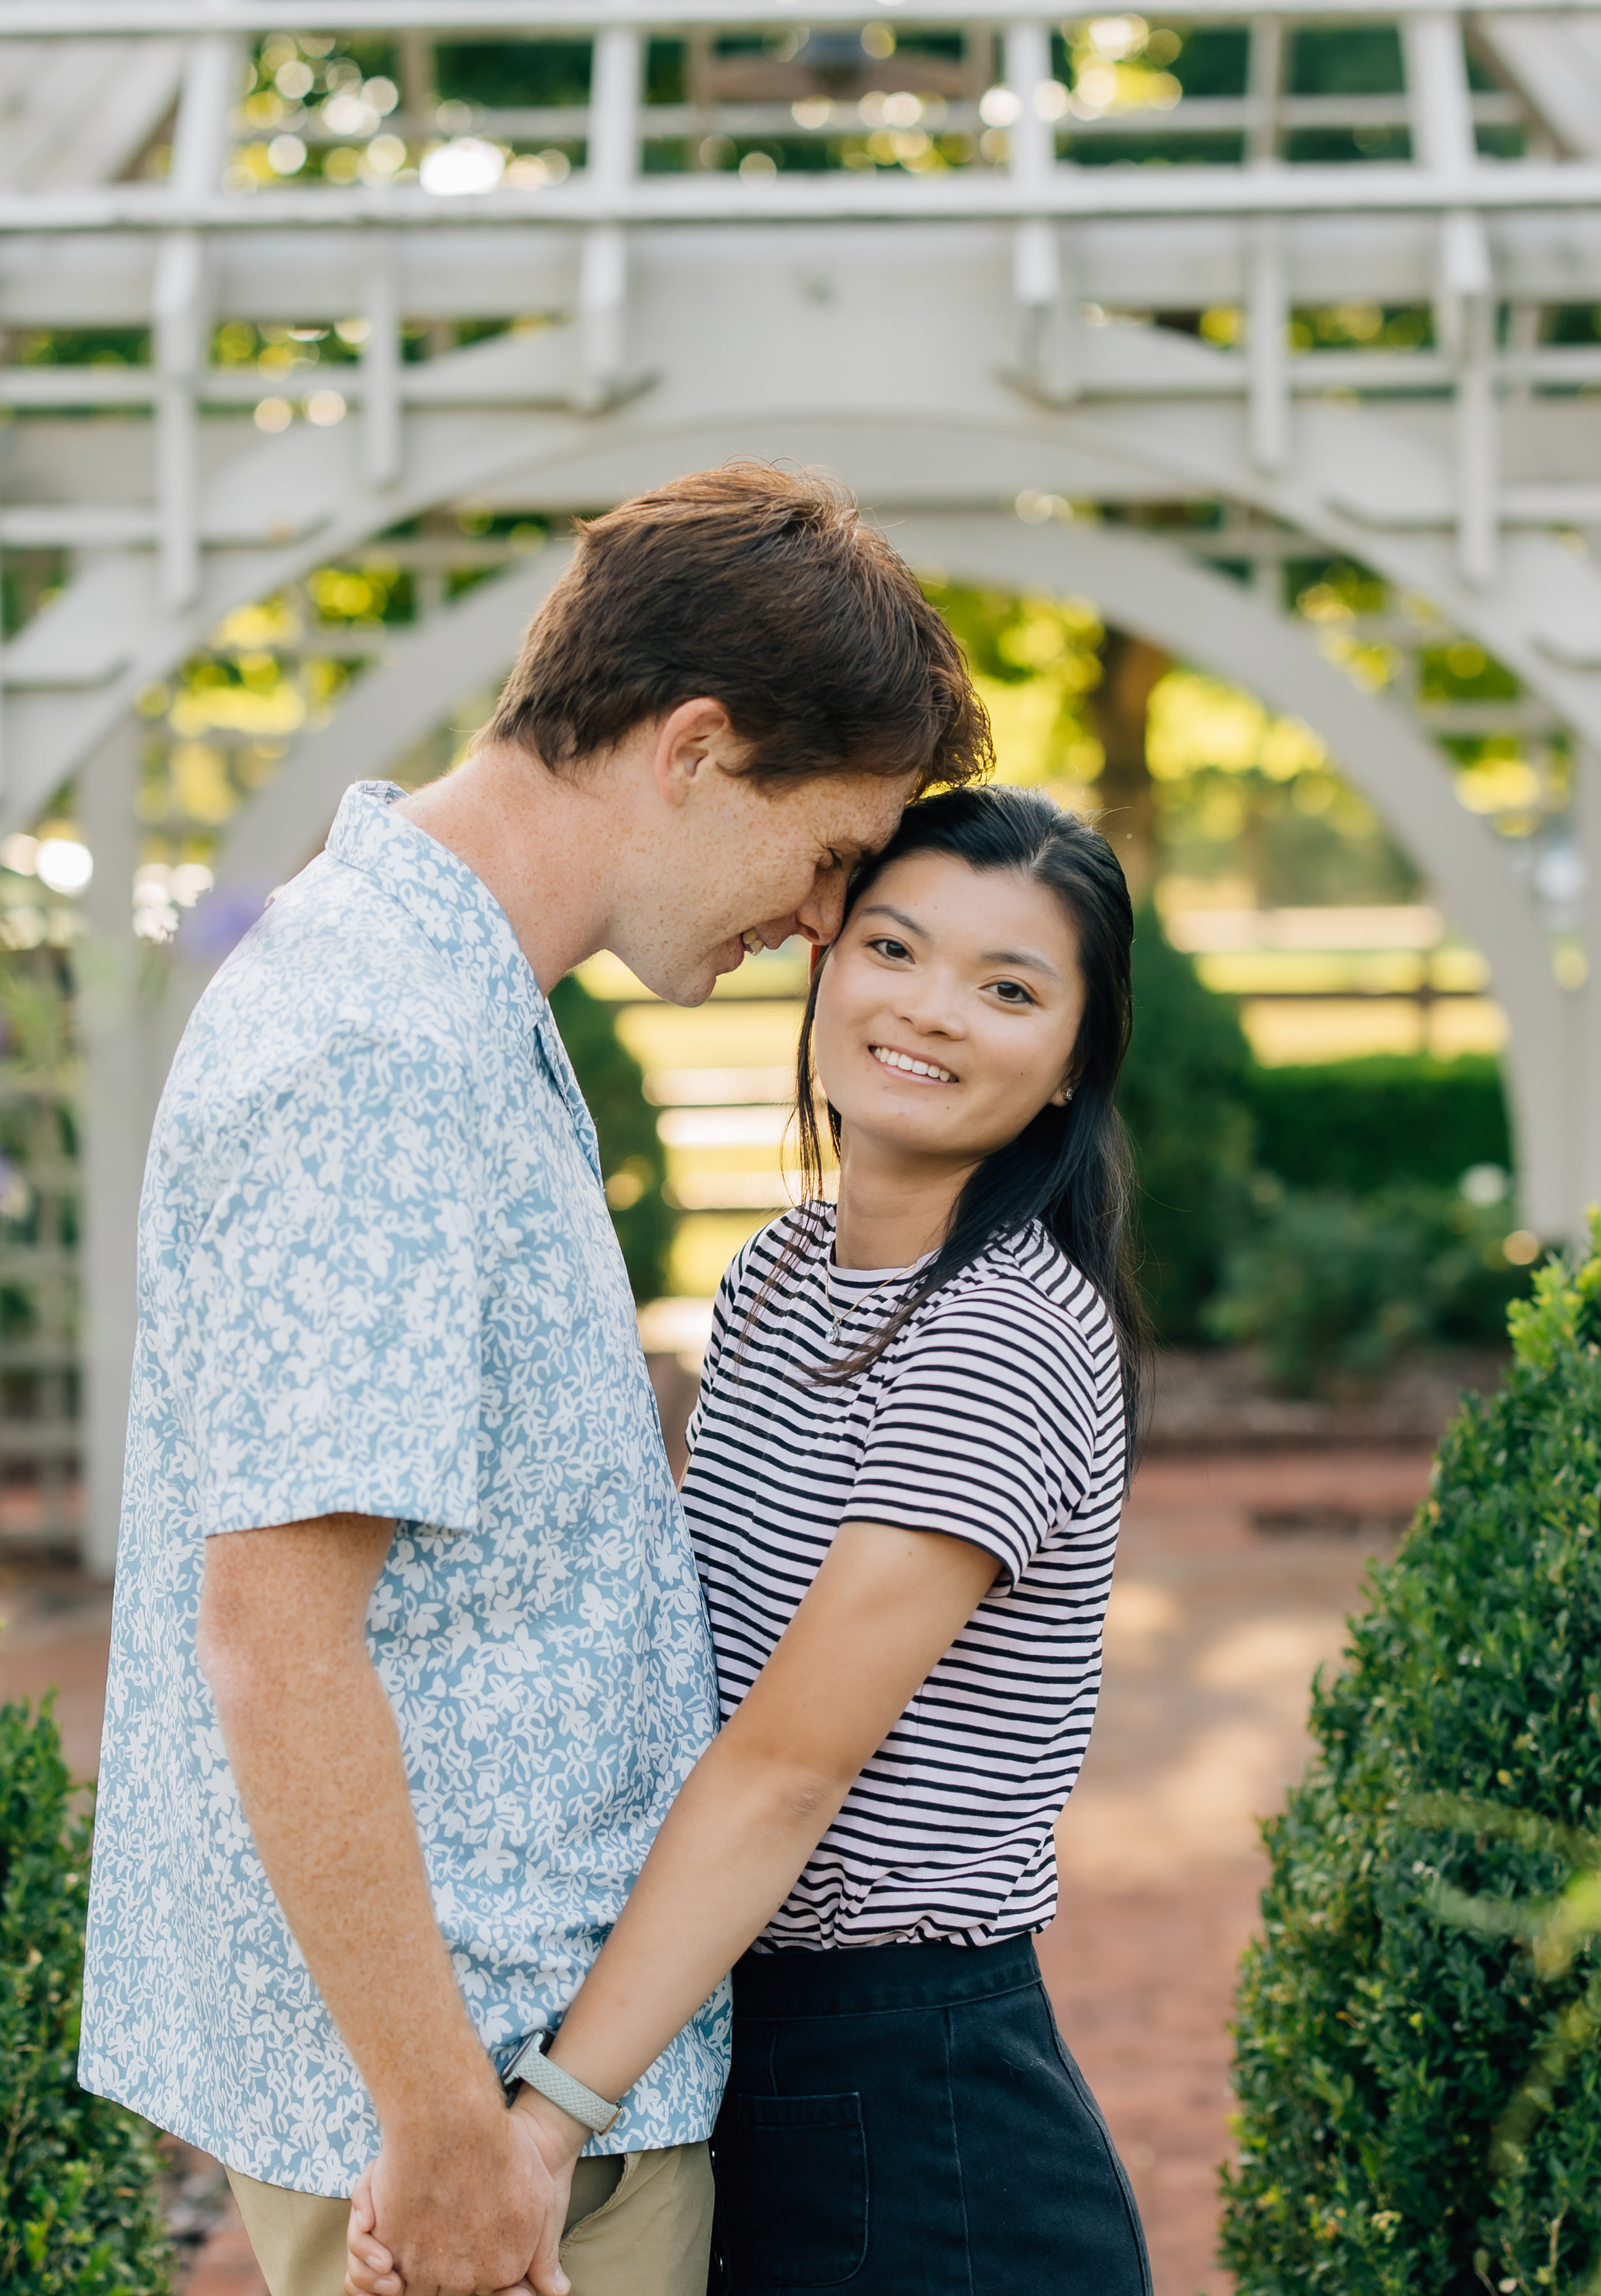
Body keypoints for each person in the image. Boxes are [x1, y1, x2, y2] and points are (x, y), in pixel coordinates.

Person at [76, 462, 995, 2296]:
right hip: (479, 2108)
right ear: (694, 748)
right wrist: (441, 2134)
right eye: (829, 855)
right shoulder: (378, 1049)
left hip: (510, 2066)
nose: (825, 923)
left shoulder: (452, 996)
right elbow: (275, 1638)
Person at [348, 784, 1153, 2294]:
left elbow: (785, 1769)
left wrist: (538, 2129)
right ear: (825, 963)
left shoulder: (1004, 1337)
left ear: (1068, 1069)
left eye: (1007, 988)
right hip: (741, 2045)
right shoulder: (782, 1278)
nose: (929, 1010)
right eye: (893, 949)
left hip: (917, 2113)